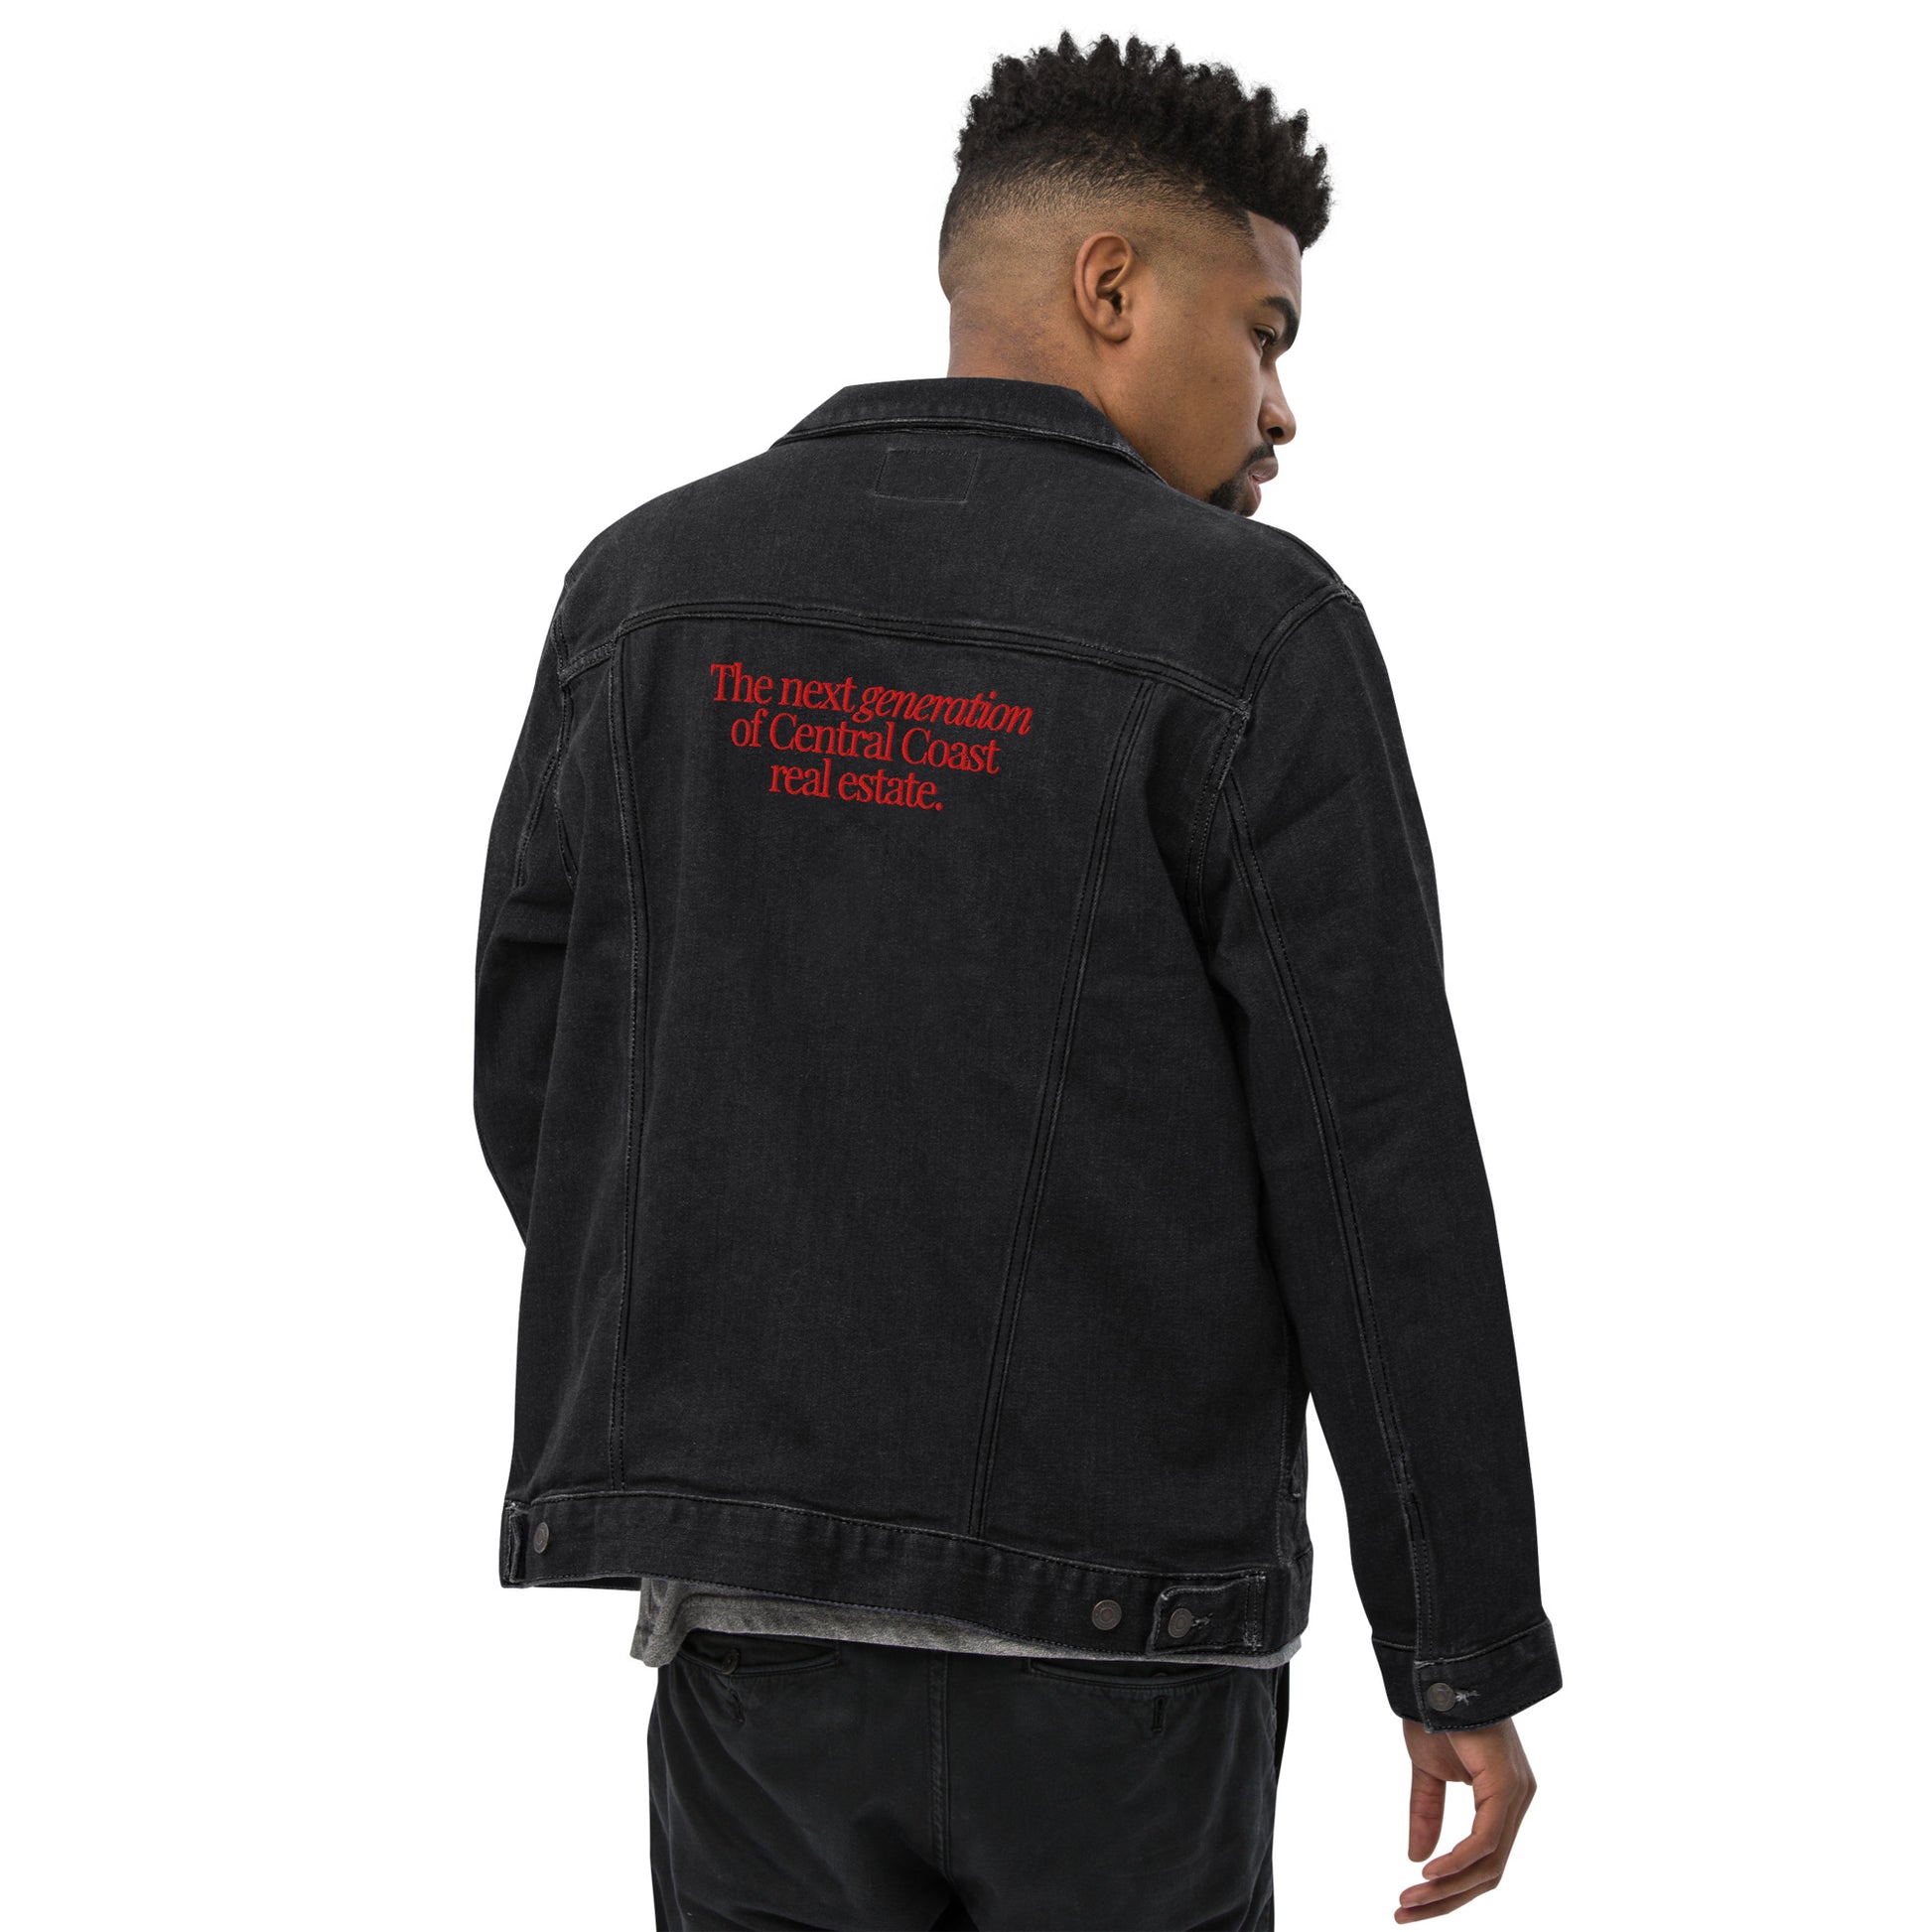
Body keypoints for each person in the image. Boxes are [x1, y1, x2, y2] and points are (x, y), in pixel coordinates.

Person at [475, 30, 1559, 1930]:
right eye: (1267, 331)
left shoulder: (647, 592)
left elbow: (541, 1076)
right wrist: (1454, 1640)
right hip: (1127, 1651)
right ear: (1111, 285)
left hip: (755, 1639)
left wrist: (760, 1355)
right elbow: (1368, 1158)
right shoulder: (1252, 628)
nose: (1283, 408)